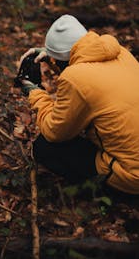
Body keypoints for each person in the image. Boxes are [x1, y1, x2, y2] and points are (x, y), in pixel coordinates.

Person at [19, 14, 139, 194]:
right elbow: (82, 64)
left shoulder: (75, 78)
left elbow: (54, 132)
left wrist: (34, 91)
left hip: (131, 175)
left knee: (44, 147)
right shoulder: (121, 53)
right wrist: (52, 56)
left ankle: (103, 195)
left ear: (62, 60)